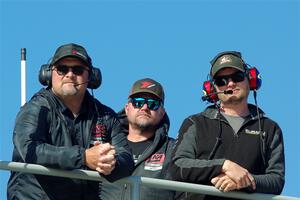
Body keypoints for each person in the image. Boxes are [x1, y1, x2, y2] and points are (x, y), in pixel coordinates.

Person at [7, 43, 134, 200]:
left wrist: (110, 163)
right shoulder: (36, 108)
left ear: (91, 77)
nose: (69, 75)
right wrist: (84, 157)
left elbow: (126, 158)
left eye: (78, 70)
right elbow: (29, 149)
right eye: (62, 69)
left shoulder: (105, 115)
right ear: (48, 74)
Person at [170, 51, 285, 200]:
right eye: (221, 81)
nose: (230, 84)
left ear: (250, 80)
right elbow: (177, 166)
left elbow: (277, 180)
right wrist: (224, 166)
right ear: (212, 88)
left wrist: (243, 181)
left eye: (237, 77)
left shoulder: (270, 128)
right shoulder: (195, 123)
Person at [100, 78, 175, 200]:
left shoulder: (173, 149)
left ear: (162, 113)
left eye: (152, 104)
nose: (145, 107)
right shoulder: (106, 145)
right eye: (138, 102)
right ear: (127, 108)